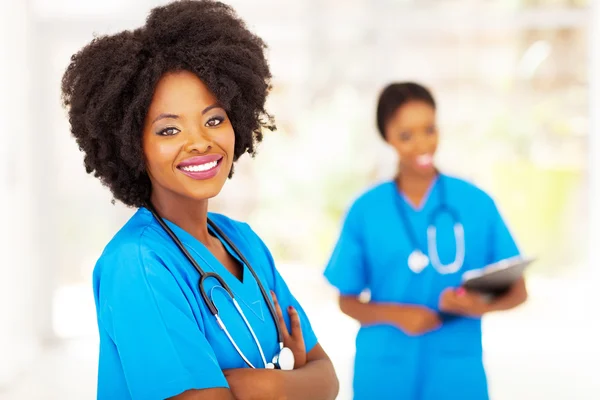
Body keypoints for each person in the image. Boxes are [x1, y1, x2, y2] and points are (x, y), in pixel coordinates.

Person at [61, 1, 339, 399]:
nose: (199, 142)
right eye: (168, 130)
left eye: (213, 120)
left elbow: (327, 379)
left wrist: (252, 384)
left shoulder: (244, 243)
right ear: (131, 146)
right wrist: (292, 384)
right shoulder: (138, 265)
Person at [323, 82, 528, 400]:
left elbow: (518, 291)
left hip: (456, 373)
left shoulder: (476, 202)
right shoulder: (365, 209)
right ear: (387, 137)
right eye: (406, 134)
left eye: (429, 129)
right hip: (384, 374)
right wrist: (399, 315)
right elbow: (346, 301)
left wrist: (478, 304)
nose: (422, 143)